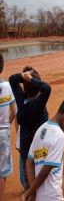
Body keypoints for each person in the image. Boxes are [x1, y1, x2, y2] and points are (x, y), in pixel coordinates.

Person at [24, 97, 64, 201]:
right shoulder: (59, 135)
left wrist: (32, 192)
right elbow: (46, 168)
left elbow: (29, 161)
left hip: (39, 197)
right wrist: (29, 192)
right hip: (52, 196)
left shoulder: (41, 129)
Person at [9, 66, 51, 190]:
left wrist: (23, 77)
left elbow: (12, 79)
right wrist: (31, 79)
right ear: (37, 88)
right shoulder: (38, 104)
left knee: (29, 187)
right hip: (41, 152)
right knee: (42, 186)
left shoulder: (22, 102)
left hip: (26, 152)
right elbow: (46, 88)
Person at [0, 54, 16, 201]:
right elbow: (14, 111)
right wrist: (7, 122)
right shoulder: (6, 86)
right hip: (3, 132)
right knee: (2, 171)